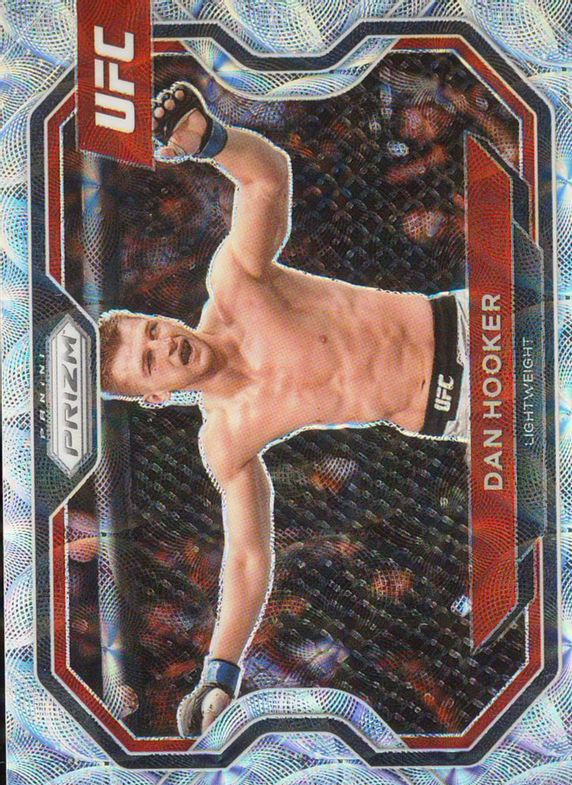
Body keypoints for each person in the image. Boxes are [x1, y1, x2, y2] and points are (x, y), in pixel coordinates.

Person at [98, 82, 469, 737]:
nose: (165, 344)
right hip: (451, 414)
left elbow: (266, 177)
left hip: (471, 329)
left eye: (151, 331)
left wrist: (212, 140)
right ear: (154, 396)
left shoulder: (234, 284)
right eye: (150, 362)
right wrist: (220, 671)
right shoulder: (226, 439)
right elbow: (247, 559)